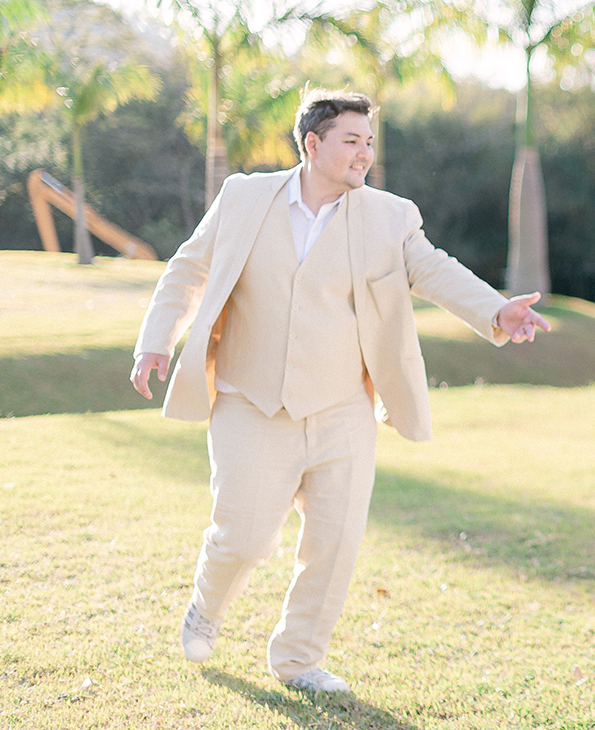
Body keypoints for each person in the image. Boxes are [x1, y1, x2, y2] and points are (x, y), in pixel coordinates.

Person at [130, 88, 550, 694]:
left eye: (368, 142)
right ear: (313, 144)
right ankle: (206, 608)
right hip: (251, 402)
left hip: (342, 409)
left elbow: (432, 269)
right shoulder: (245, 197)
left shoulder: (389, 215)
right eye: (352, 140)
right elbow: (189, 268)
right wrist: (156, 341)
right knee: (243, 536)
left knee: (334, 543)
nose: (364, 154)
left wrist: (495, 311)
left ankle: (298, 659)